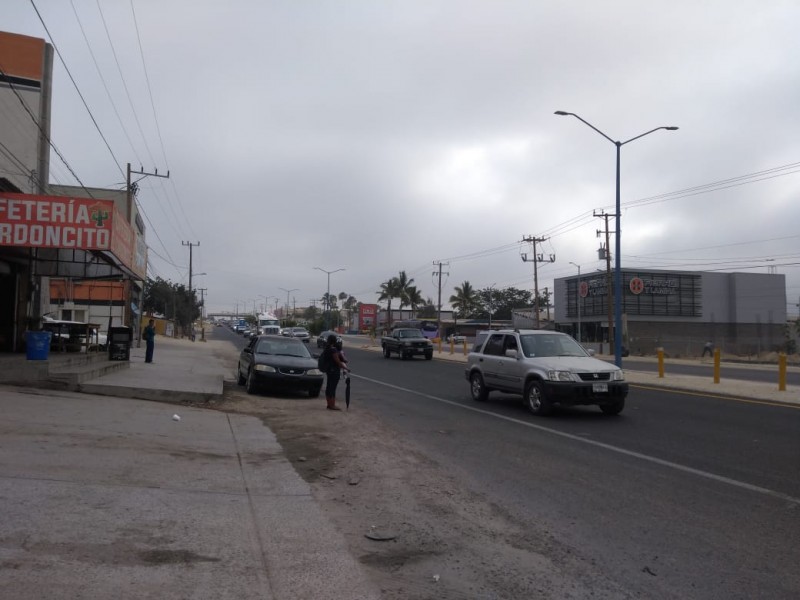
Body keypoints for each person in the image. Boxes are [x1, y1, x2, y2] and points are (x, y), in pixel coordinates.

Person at [323, 333, 348, 410]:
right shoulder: (333, 350)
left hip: (329, 370)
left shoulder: (326, 349)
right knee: (332, 388)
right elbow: (338, 362)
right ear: (334, 341)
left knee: (329, 387)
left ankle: (329, 404)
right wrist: (346, 368)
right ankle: (332, 405)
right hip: (334, 371)